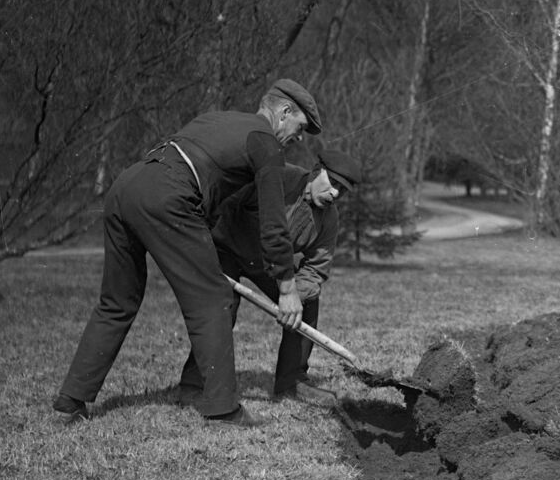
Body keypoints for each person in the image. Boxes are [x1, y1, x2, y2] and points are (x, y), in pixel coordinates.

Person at [52, 79, 323, 427]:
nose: (299, 138)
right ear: (284, 112)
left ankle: (72, 397)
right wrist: (287, 289)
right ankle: (223, 409)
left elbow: (209, 186)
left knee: (117, 301)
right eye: (300, 127)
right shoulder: (266, 143)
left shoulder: (217, 119)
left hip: (126, 187)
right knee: (214, 299)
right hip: (169, 195)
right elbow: (273, 226)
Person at [178, 147, 362, 406]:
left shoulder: (328, 219)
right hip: (224, 247)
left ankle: (291, 381)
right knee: (221, 308)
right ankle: (194, 385)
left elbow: (316, 268)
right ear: (316, 172)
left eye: (342, 191)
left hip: (270, 263)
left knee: (306, 302)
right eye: (333, 184)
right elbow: (223, 199)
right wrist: (201, 242)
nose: (335, 194)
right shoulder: (277, 178)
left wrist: (296, 298)